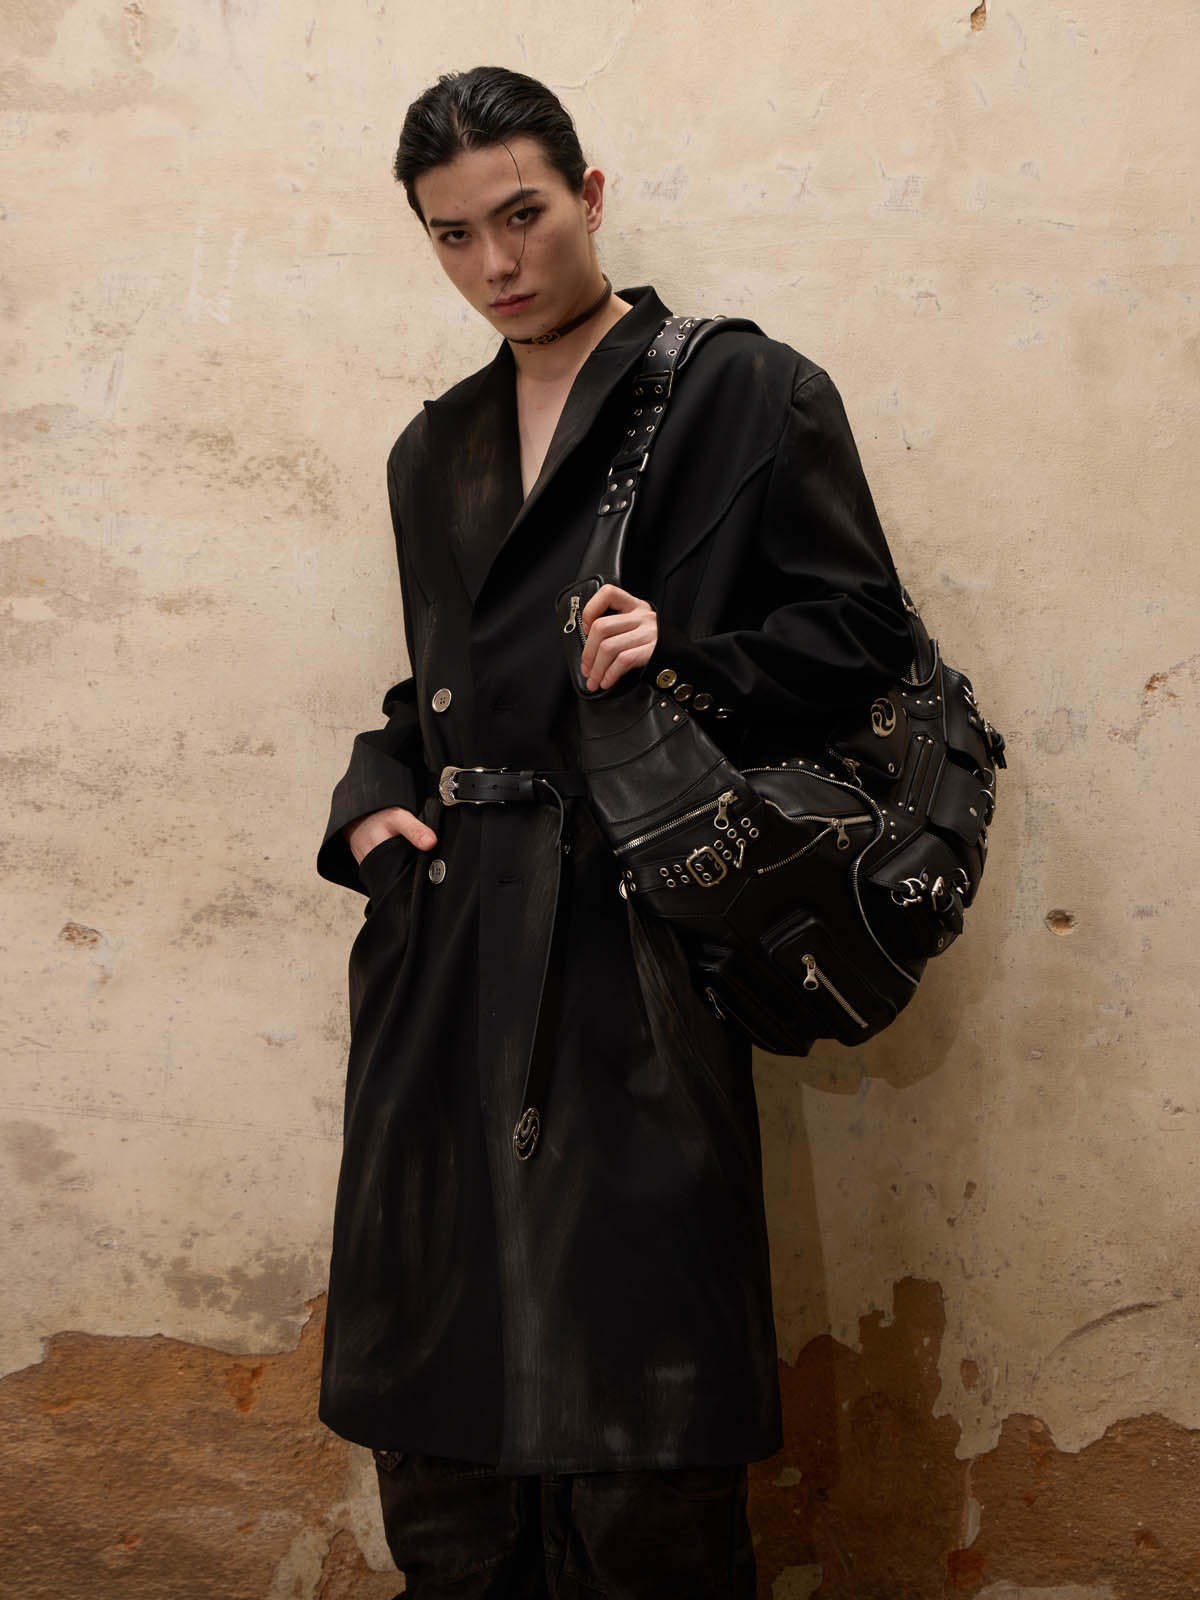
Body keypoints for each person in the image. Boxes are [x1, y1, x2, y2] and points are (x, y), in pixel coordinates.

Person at [316, 65, 911, 1598]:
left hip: (634, 932)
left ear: (589, 195)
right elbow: (438, 689)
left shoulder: (743, 392)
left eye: (521, 215)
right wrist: (370, 801)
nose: (496, 263)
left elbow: (862, 638)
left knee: (642, 1397)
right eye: (453, 235)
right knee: (437, 1382)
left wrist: (686, 657)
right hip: (450, 940)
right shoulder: (434, 448)